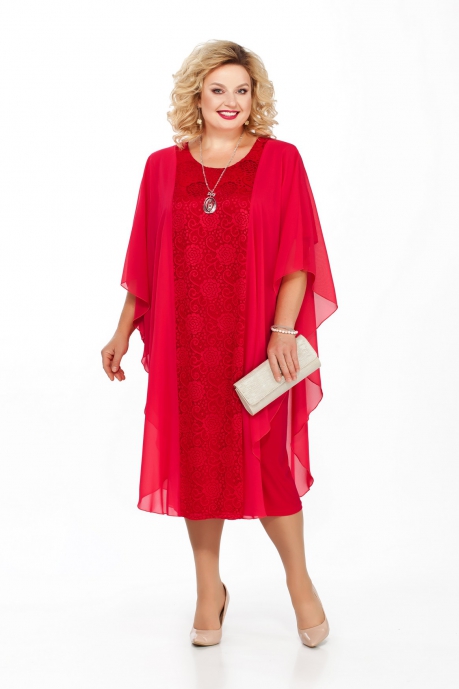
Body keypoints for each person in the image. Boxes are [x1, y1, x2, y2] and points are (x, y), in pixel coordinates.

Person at [101, 40, 338, 648]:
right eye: (218, 90)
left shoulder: (281, 159)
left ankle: (300, 584)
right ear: (197, 96)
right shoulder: (162, 167)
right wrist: (123, 329)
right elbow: (144, 261)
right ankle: (210, 592)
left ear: (255, 97)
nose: (231, 101)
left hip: (256, 340)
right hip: (187, 343)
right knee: (198, 467)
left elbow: (297, 256)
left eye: (242, 90)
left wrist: (283, 330)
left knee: (269, 466)